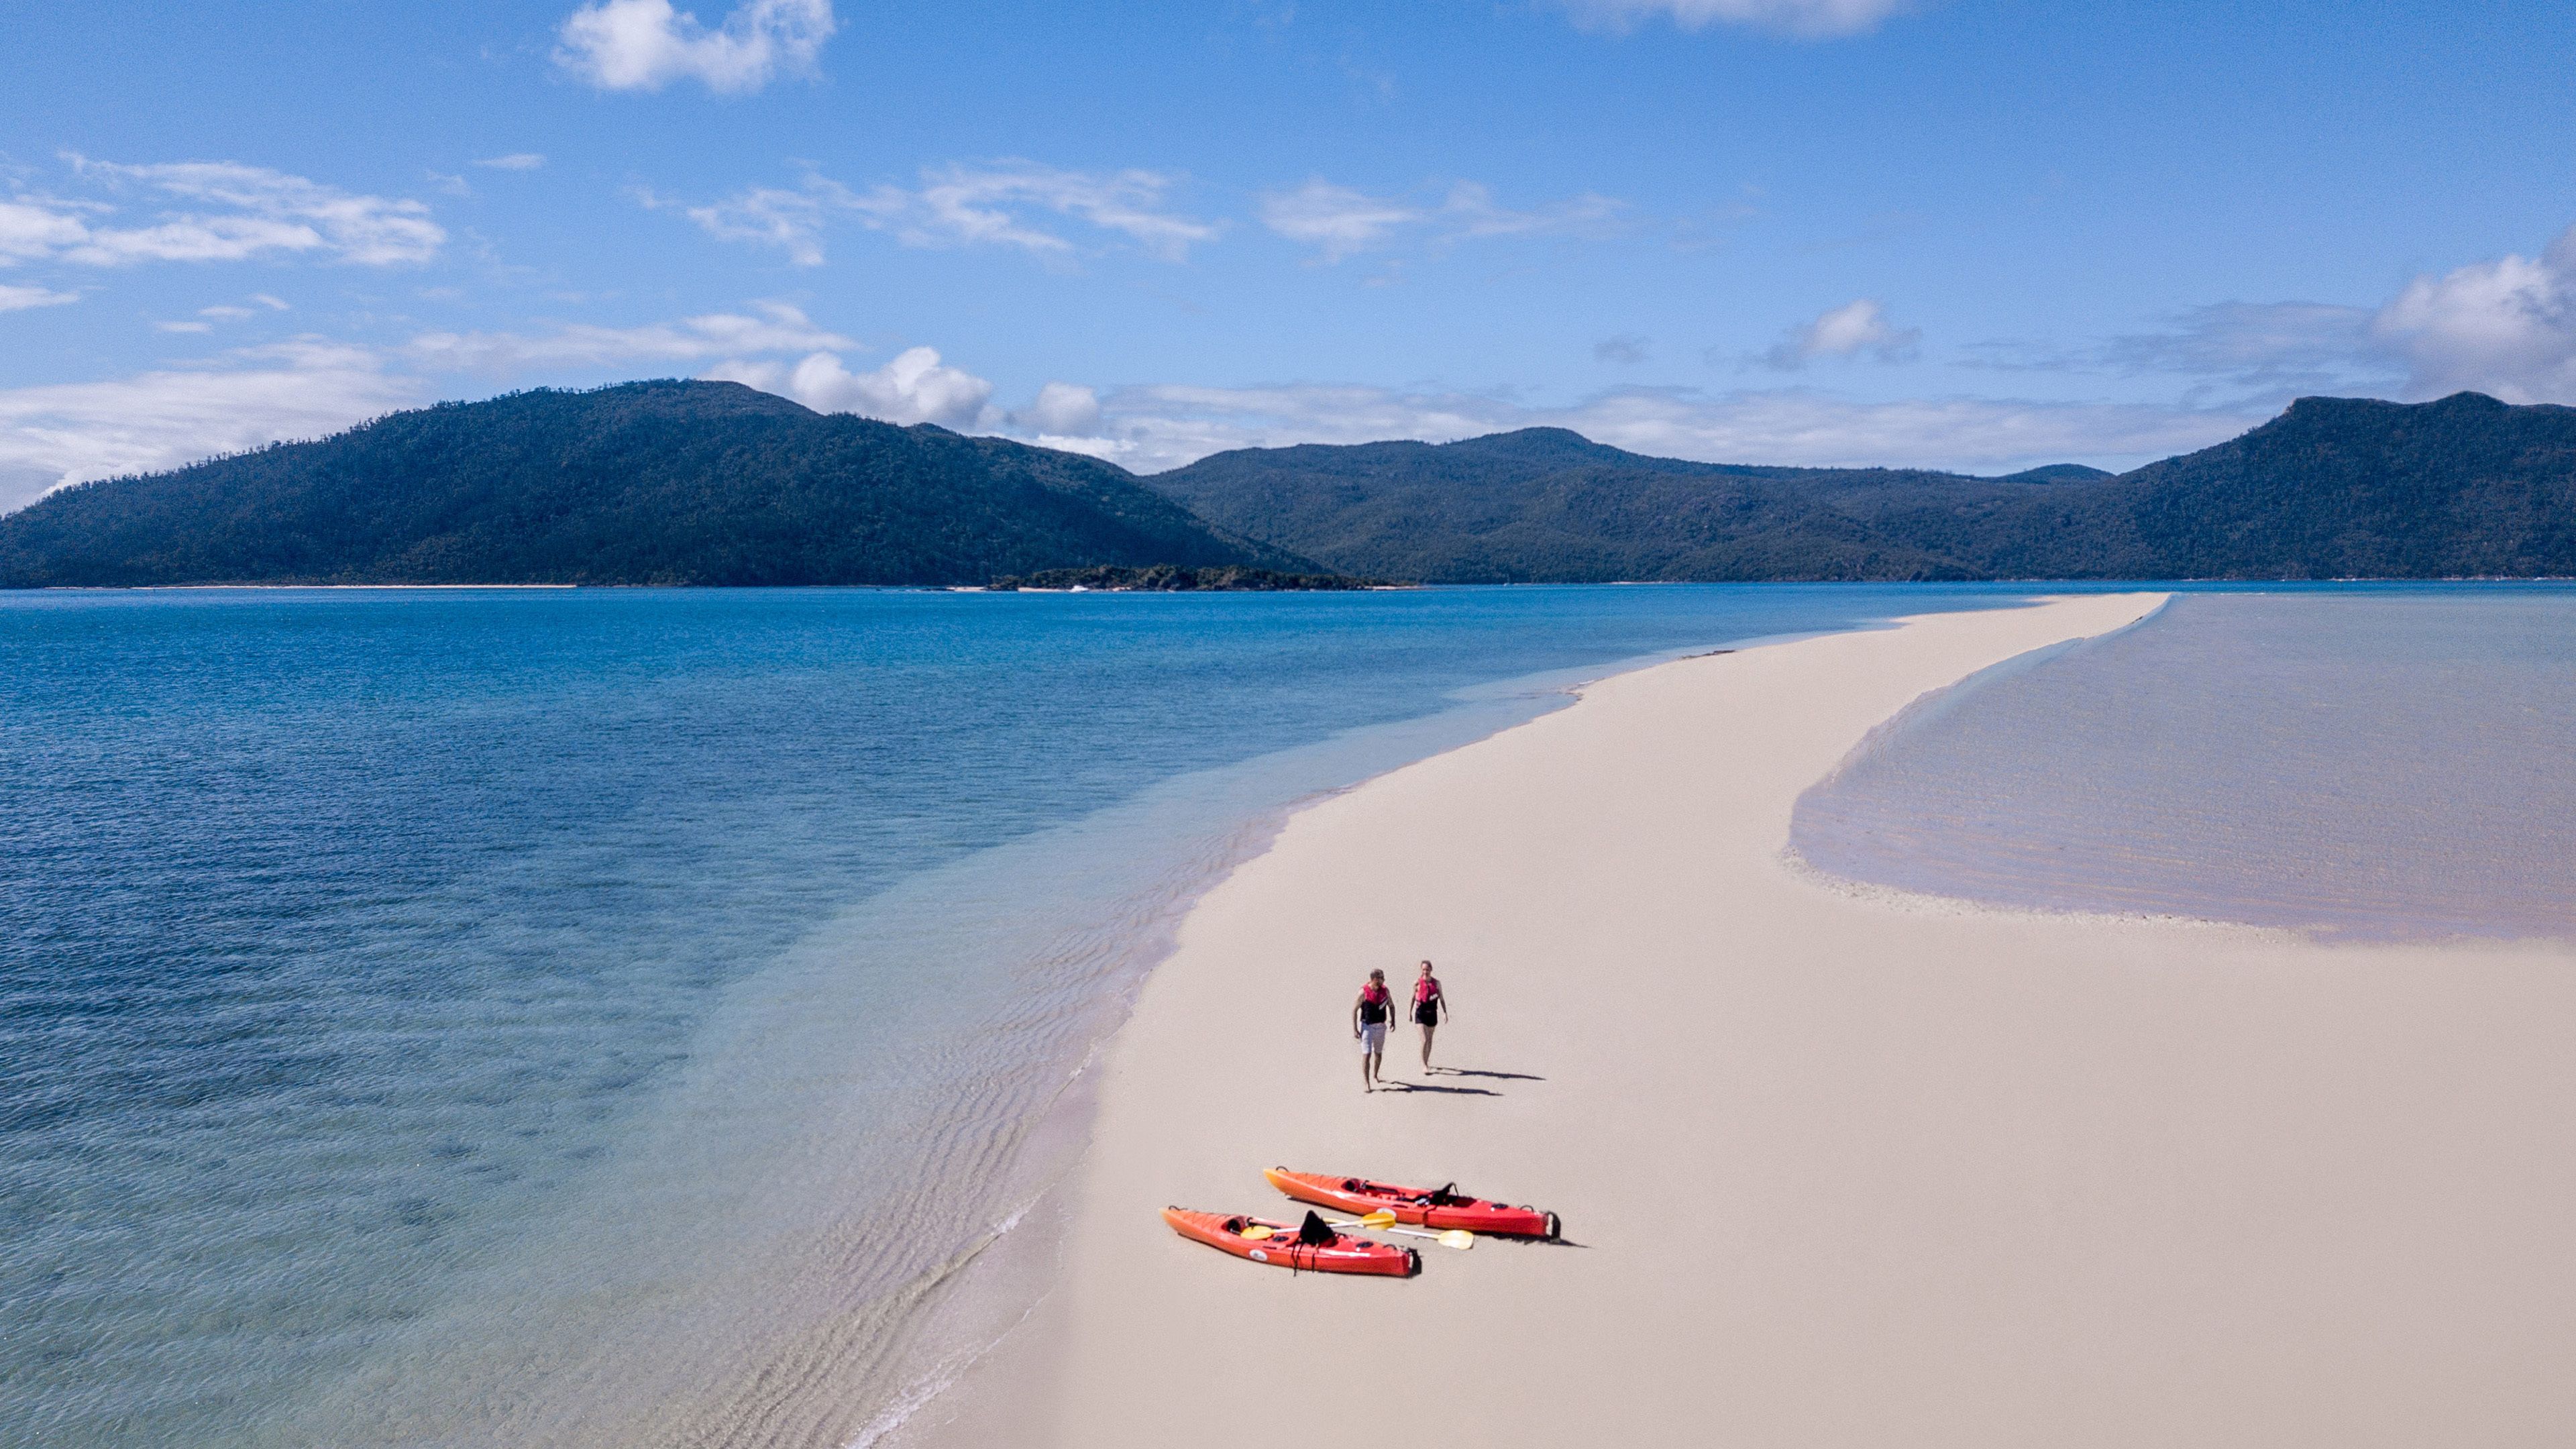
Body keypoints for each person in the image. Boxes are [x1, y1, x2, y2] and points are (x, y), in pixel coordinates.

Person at [1352, 969, 1394, 1092]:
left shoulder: (1385, 991)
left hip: (1381, 1026)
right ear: (1375, 979)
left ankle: (1375, 1074)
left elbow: (1391, 1005)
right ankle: (1367, 1082)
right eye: (1381, 978)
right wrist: (1355, 1029)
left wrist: (1393, 1020)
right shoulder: (1363, 992)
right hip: (1367, 1026)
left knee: (1378, 1053)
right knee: (1367, 1054)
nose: (1383, 980)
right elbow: (1354, 1010)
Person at [1411, 959, 1448, 1072]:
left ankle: (1426, 1061)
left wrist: (1445, 1012)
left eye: (1427, 969)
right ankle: (1424, 1065)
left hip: (1432, 1014)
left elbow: (1441, 998)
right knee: (1424, 1039)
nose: (1425, 972)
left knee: (1430, 1039)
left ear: (1431, 970)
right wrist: (1409, 1012)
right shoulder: (1417, 983)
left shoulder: (1436, 984)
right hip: (1420, 1014)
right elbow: (1413, 998)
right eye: (1423, 970)